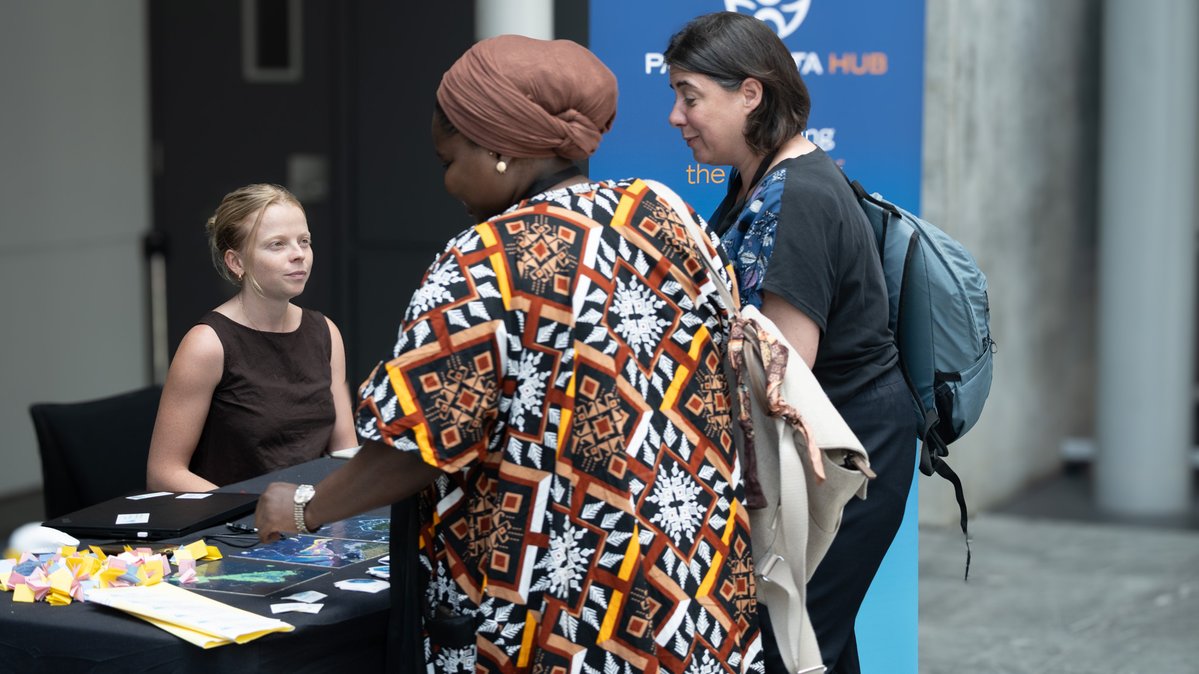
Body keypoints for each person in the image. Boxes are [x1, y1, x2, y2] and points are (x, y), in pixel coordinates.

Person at [255, 35, 763, 673]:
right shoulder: (667, 213)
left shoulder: (485, 257)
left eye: (448, 159)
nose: (446, 182)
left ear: (497, 147)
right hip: (693, 591)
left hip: (564, 618)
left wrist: (304, 509)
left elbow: (417, 443)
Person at [664, 11, 918, 674]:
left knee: (788, 647)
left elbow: (783, 372)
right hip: (821, 446)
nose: (675, 116)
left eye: (690, 97)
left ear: (750, 94)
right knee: (817, 642)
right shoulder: (759, 180)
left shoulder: (796, 194)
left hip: (838, 453)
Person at [146, 184, 357, 492]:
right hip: (236, 528)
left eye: (304, 241)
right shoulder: (207, 344)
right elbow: (164, 473)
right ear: (237, 262)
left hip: (312, 520)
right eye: (277, 245)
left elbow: (344, 454)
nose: (299, 255)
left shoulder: (326, 333)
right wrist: (254, 511)